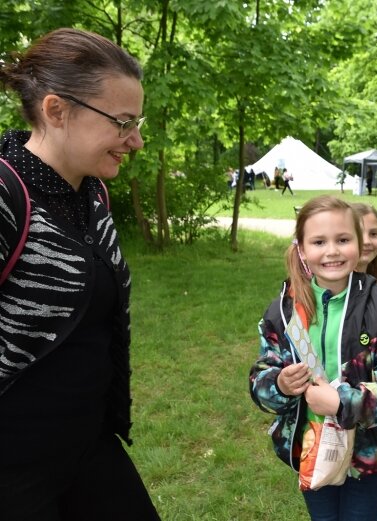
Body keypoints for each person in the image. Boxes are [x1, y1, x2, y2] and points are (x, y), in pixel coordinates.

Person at [0, 28, 160, 520]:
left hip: (87, 445)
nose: (133, 141)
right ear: (56, 110)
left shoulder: (92, 196)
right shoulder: (6, 193)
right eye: (122, 122)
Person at [249, 195, 377, 521]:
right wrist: (280, 384)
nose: (332, 251)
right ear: (301, 249)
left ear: (359, 244)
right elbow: (260, 376)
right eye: (318, 241)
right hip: (310, 449)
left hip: (369, 454)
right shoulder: (284, 311)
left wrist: (342, 404)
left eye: (343, 240)